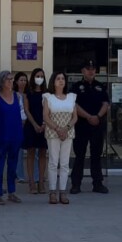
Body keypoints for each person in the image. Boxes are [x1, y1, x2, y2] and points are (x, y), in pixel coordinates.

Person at [70, 60, 110, 194]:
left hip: (97, 125)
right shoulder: (76, 87)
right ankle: (76, 184)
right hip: (81, 125)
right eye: (88, 69)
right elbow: (74, 105)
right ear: (82, 71)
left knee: (96, 156)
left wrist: (97, 116)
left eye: (93, 69)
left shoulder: (100, 86)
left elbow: (106, 103)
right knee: (79, 155)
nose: (91, 71)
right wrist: (88, 117)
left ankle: (97, 184)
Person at [43, 71, 76, 205]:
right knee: (53, 162)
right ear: (53, 81)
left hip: (67, 132)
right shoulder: (48, 97)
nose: (61, 81)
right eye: (58, 78)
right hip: (53, 132)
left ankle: (63, 191)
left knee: (64, 163)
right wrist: (57, 129)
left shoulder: (71, 97)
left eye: (63, 78)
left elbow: (75, 117)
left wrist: (66, 128)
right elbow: (46, 116)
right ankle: (52, 192)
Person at [0, 70, 24, 205]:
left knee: (13, 165)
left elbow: (21, 115)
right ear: (1, 81)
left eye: (12, 79)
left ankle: (12, 192)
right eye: (8, 79)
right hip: (1, 136)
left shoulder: (18, 96)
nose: (11, 81)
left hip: (15, 135)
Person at [22, 68, 48, 195]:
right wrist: (35, 125)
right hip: (31, 125)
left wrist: (44, 124)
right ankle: (31, 182)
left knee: (43, 153)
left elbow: (49, 110)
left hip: (44, 125)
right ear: (33, 77)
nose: (40, 78)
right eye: (37, 76)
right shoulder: (28, 92)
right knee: (31, 153)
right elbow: (26, 110)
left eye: (42, 76)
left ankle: (41, 182)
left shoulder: (47, 93)